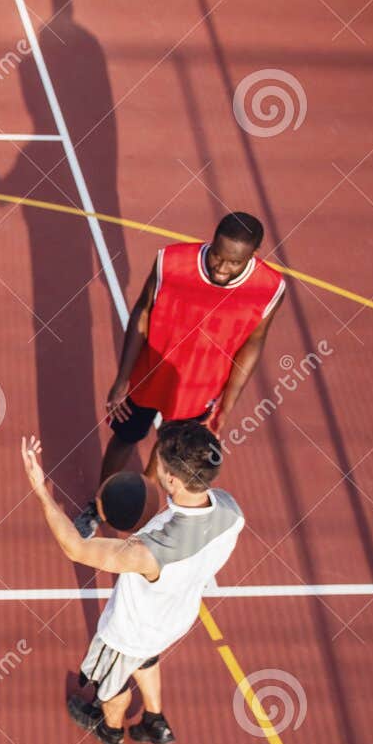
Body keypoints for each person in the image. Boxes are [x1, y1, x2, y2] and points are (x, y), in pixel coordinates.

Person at [23, 421, 244, 744]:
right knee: (147, 658)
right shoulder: (229, 509)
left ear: (170, 478)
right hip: (177, 615)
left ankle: (110, 729)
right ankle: (154, 722)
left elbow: (77, 548)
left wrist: (41, 491)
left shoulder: (150, 553)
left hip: (130, 631)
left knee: (111, 686)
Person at [81, 212, 282, 533]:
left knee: (166, 456)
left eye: (233, 263)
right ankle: (101, 502)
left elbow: (252, 348)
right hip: (149, 376)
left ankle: (138, 508)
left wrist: (225, 409)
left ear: (253, 256)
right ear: (211, 241)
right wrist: (122, 378)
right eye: (217, 256)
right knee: (123, 439)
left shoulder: (269, 288)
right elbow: (143, 312)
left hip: (200, 390)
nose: (220, 267)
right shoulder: (171, 263)